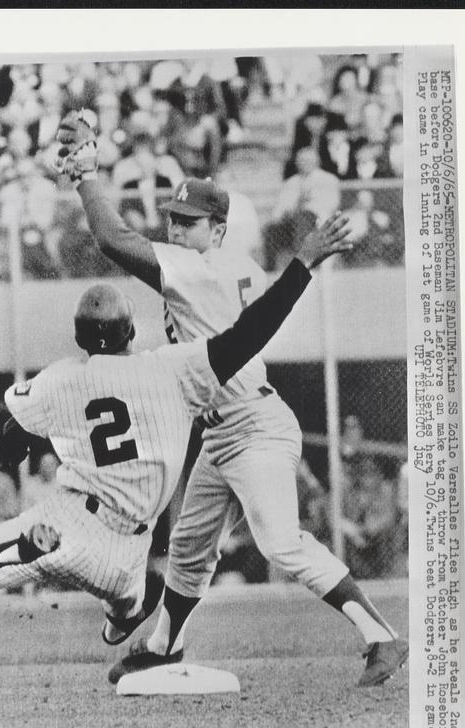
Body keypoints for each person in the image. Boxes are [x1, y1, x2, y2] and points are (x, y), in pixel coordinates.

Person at [54, 110, 408, 687]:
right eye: (174, 218)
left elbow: (112, 239)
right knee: (190, 546)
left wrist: (88, 173)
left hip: (255, 425)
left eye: (191, 222)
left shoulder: (200, 269)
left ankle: (382, 636)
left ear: (217, 230)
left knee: (279, 541)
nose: (177, 229)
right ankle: (166, 645)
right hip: (223, 430)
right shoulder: (233, 264)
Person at [0, 212, 349, 649]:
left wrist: (17, 442)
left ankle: (18, 554)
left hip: (68, 520)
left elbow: (11, 439)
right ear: (131, 330)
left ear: (79, 336)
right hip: (125, 554)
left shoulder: (62, 378)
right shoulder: (170, 370)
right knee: (124, 609)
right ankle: (123, 614)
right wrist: (303, 264)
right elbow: (249, 334)